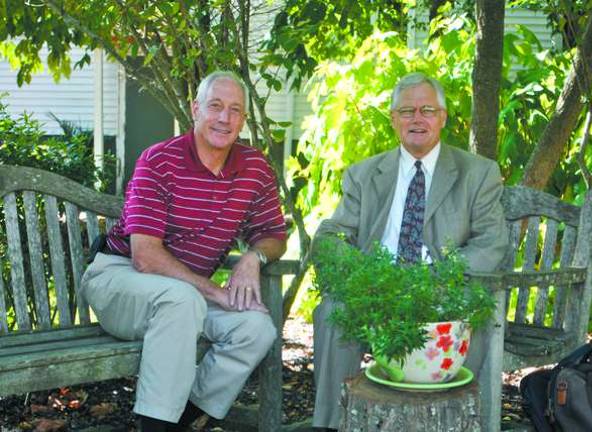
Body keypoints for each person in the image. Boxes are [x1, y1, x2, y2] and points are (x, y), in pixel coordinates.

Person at [80, 71, 287, 432]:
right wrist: (214, 292)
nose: (224, 118)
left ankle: (181, 420)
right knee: (181, 300)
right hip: (119, 279)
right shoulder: (159, 161)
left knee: (256, 328)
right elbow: (145, 257)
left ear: (243, 119)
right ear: (195, 109)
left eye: (235, 110)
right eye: (215, 106)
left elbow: (273, 234)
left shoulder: (254, 167)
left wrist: (254, 258)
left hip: (182, 294)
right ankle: (155, 427)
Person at [310, 72, 509, 430]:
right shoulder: (364, 174)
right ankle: (331, 424)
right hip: (375, 292)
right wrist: (362, 276)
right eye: (407, 111)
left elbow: (491, 243)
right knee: (333, 310)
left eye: (427, 110)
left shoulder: (476, 173)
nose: (417, 119)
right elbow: (330, 235)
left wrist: (435, 278)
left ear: (443, 118)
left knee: (473, 309)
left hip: (442, 292)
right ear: (393, 119)